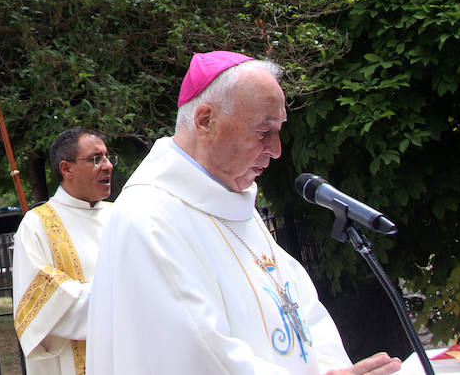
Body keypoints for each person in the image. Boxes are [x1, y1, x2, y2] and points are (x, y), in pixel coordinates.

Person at [86, 52, 402, 375]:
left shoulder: (235, 207)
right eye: (264, 132)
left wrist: (333, 369)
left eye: (279, 130)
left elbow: (305, 314)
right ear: (206, 121)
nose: (277, 150)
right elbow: (198, 355)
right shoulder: (148, 220)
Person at [11, 127, 114, 375]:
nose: (108, 165)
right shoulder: (38, 225)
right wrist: (123, 298)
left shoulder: (120, 216)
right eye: (95, 159)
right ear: (66, 169)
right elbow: (46, 307)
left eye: (108, 157)